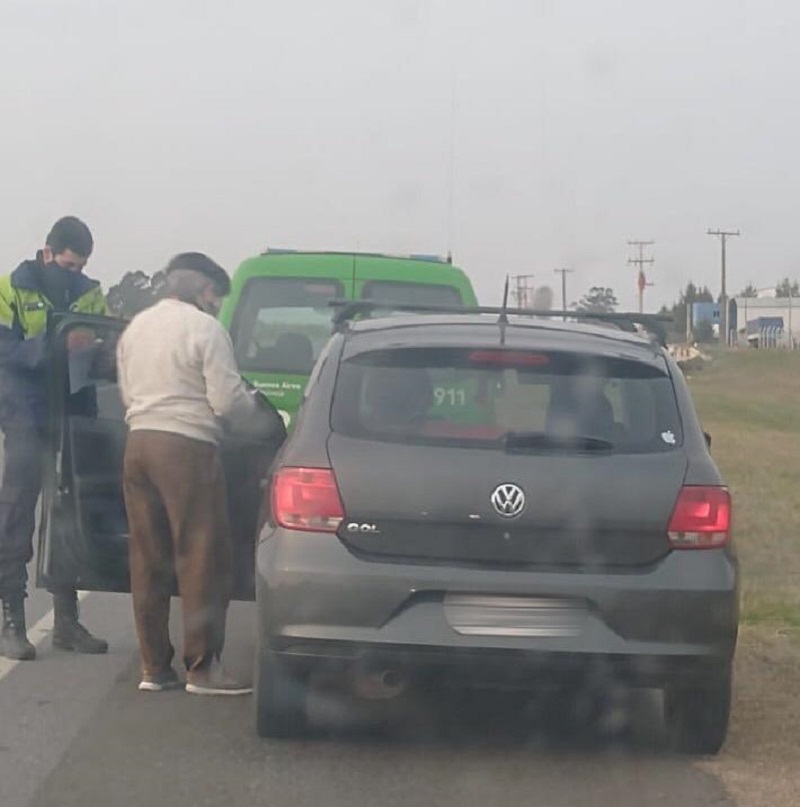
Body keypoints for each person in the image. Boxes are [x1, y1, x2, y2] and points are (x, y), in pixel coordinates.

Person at [116, 252, 284, 695]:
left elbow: (127, 392)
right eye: (215, 294)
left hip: (137, 444)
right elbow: (227, 401)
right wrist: (261, 418)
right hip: (186, 447)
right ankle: (203, 667)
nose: (216, 303)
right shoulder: (205, 329)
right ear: (203, 290)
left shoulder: (136, 327)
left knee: (147, 558)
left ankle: (154, 668)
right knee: (202, 556)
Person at [0, 216, 110, 660]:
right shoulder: (11, 288)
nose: (73, 273)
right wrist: (52, 346)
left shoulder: (90, 293)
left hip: (73, 414)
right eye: (66, 265)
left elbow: (102, 354)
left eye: (79, 266)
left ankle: (67, 622)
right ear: (47, 253)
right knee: (16, 518)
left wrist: (96, 352)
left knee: (69, 519)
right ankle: (12, 623)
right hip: (25, 414)